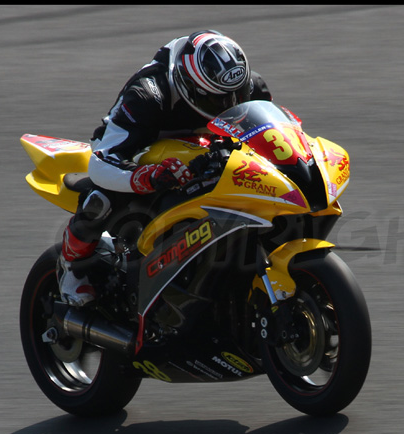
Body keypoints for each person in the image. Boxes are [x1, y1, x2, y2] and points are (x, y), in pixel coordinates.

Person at [58, 30, 273, 306]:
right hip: (139, 150)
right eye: (216, 101)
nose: (229, 106)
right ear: (188, 87)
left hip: (205, 148)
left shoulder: (251, 88)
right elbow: (101, 161)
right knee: (101, 198)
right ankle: (72, 268)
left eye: (236, 96)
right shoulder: (147, 95)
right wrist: (146, 176)